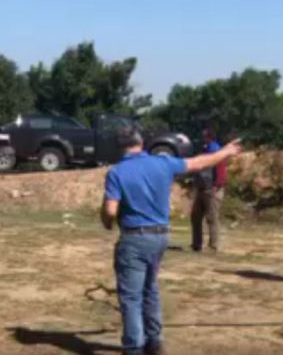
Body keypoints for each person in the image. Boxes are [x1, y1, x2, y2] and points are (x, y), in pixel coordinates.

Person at [101, 127, 242, 355]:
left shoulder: (117, 172)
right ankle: (155, 341)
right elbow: (198, 162)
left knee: (131, 296)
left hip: (134, 237)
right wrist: (226, 152)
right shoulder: (162, 162)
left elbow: (110, 210)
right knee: (150, 289)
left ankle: (134, 347)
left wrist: (107, 222)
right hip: (160, 236)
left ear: (119, 147)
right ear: (142, 143)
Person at [190, 129, 227, 252]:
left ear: (209, 137)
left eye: (204, 137)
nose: (202, 139)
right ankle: (196, 244)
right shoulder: (206, 150)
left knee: (212, 218)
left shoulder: (216, 151)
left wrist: (216, 185)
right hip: (202, 188)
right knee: (195, 216)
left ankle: (213, 245)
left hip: (212, 189)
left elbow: (221, 170)